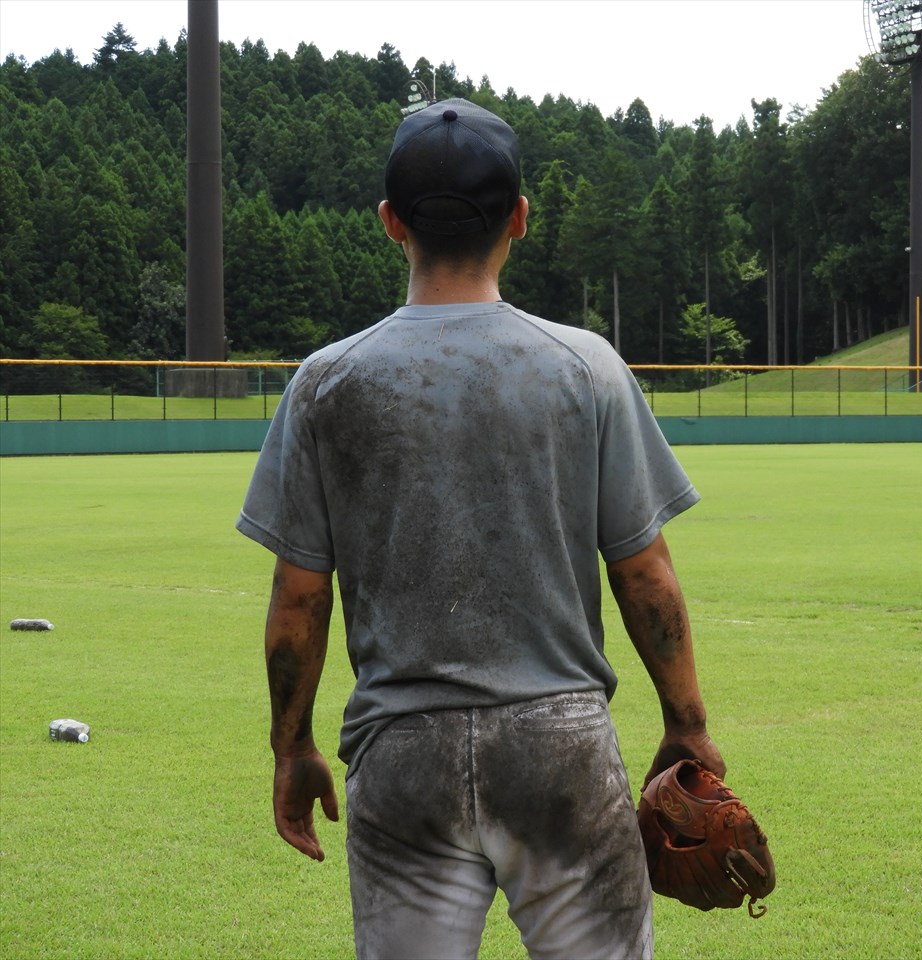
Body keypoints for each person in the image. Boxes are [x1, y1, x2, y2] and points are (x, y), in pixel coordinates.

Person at [236, 98, 724, 960]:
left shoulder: (324, 383)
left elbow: (299, 600)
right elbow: (644, 574)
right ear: (520, 219)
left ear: (391, 223)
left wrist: (291, 744)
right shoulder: (587, 367)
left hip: (400, 751)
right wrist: (686, 723)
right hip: (561, 744)